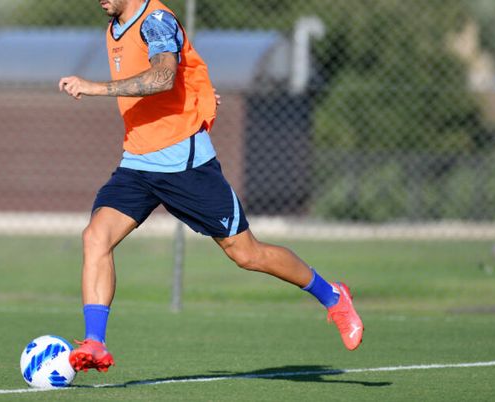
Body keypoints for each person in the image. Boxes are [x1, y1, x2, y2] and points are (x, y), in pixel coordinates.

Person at [58, 0, 363, 373]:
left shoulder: (154, 20)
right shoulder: (115, 27)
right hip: (137, 161)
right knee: (96, 237)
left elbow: (163, 77)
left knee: (247, 254)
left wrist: (94, 87)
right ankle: (95, 343)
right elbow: (185, 76)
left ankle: (332, 296)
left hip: (184, 163)